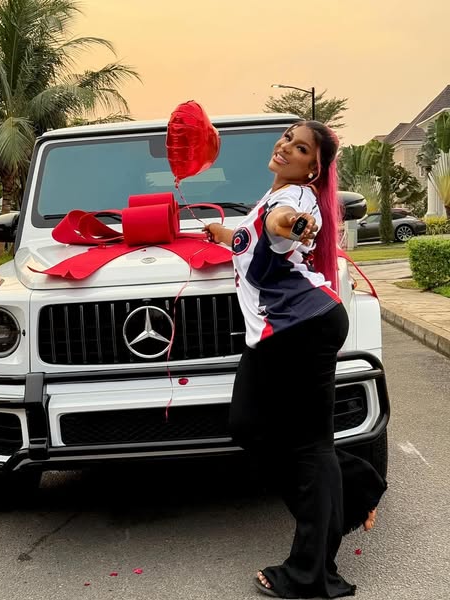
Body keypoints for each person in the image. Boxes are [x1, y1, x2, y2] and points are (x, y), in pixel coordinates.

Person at [203, 121, 387, 599]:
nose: (287, 147)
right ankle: (357, 485)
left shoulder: (295, 201)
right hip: (282, 332)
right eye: (288, 137)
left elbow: (284, 223)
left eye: (301, 148)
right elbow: (252, 236)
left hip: (301, 328)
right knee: (249, 427)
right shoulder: (269, 198)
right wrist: (220, 233)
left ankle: (310, 572)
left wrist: (295, 225)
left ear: (313, 169)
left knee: (310, 446)